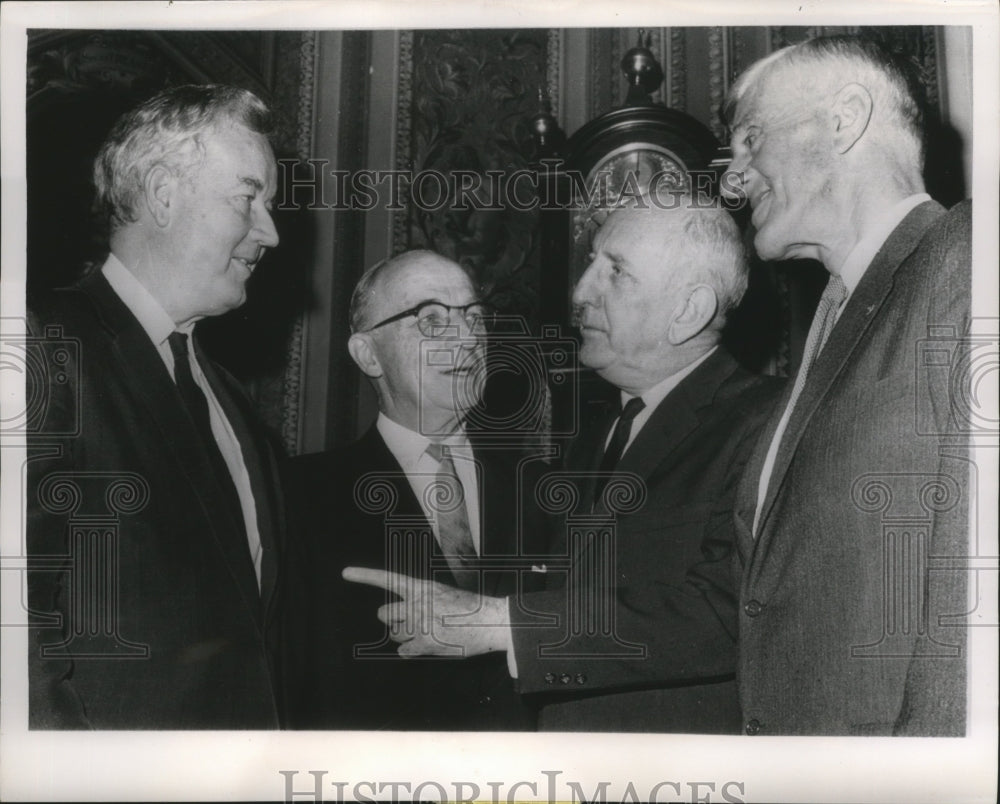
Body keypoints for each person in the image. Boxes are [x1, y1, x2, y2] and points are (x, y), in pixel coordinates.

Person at [345, 201, 784, 733]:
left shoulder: (769, 423)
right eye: (591, 262)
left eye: (615, 272)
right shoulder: (594, 438)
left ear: (688, 311)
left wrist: (500, 623)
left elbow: (730, 610)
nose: (580, 293)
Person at [720, 35, 970, 735]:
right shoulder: (831, 317)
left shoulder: (969, 255)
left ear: (843, 119)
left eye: (749, 139)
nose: (731, 180)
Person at [27, 84, 285, 729]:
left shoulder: (233, 405)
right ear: (165, 194)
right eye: (249, 198)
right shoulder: (41, 341)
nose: (272, 233)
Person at [282, 250, 553, 730]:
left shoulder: (546, 493)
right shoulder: (298, 497)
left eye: (474, 317)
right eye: (431, 319)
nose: (467, 338)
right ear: (368, 353)